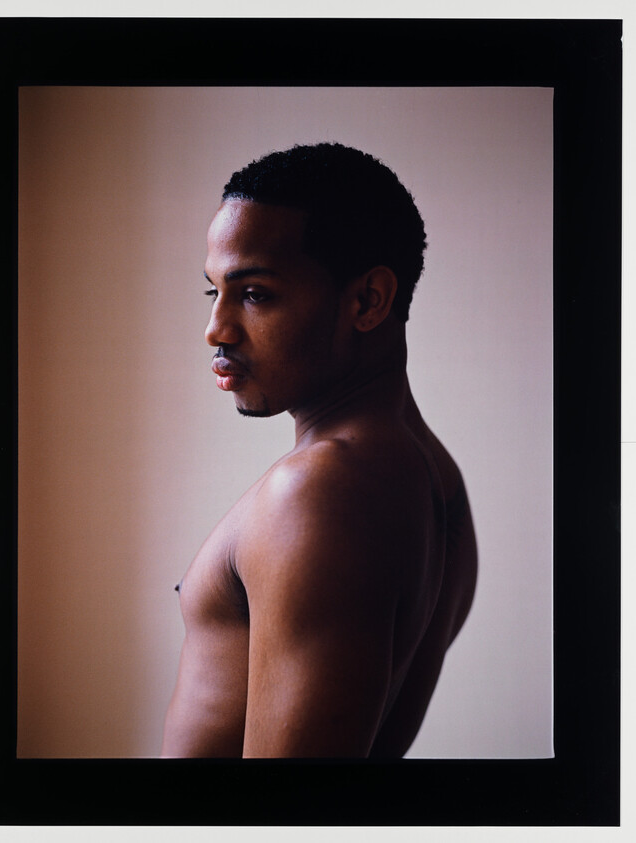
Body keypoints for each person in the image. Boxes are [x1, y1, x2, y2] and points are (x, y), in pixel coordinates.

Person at [161, 142, 477, 758]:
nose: (216, 329)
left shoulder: (318, 492)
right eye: (214, 293)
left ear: (367, 301)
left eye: (254, 293)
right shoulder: (436, 477)